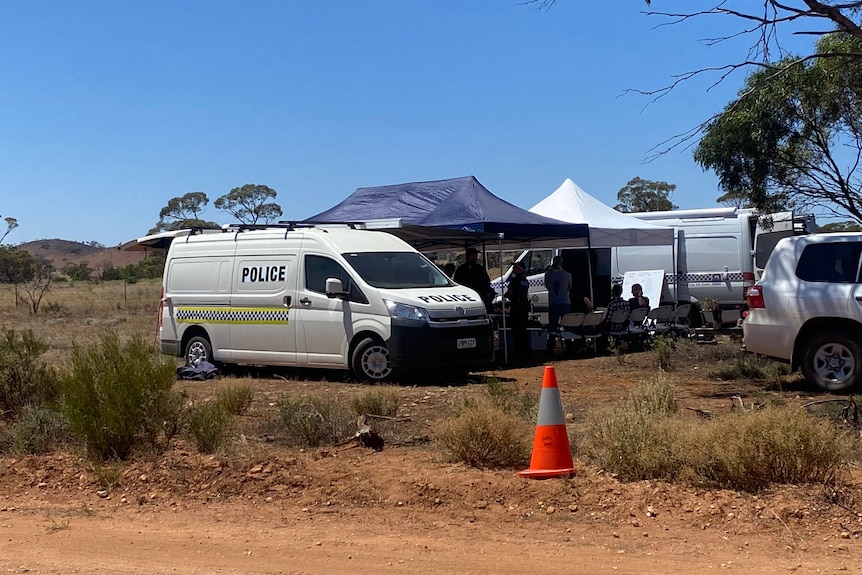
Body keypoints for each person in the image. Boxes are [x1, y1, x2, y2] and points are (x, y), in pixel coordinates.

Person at [504, 260, 531, 363]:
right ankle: (526, 352)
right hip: (524, 306)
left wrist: (504, 297)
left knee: (516, 331)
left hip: (516, 307)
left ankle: (518, 353)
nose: (513, 269)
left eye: (515, 267)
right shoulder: (525, 280)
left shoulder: (514, 281)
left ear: (519, 269)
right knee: (523, 330)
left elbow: (509, 293)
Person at [543, 255, 572, 353]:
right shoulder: (567, 275)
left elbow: (547, 287)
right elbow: (569, 288)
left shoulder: (547, 275)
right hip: (565, 303)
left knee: (552, 327)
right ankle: (569, 347)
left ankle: (550, 347)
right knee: (567, 326)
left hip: (553, 303)